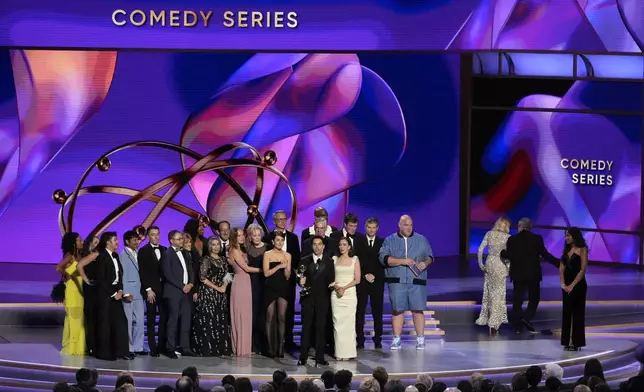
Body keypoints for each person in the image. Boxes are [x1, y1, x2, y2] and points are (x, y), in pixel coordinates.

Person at [379, 215, 434, 350]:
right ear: (399, 225)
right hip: (397, 282)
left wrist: (425, 263)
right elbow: (383, 258)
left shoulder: (421, 239)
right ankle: (397, 339)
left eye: (410, 225)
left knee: (418, 310)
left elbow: (430, 256)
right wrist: (403, 261)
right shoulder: (390, 240)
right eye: (405, 225)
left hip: (417, 281)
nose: (408, 228)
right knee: (398, 310)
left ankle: (421, 339)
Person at [500, 217, 559, 334]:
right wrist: (559, 263)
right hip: (533, 274)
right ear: (530, 227)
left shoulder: (512, 239)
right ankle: (526, 318)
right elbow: (545, 254)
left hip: (518, 275)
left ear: (519, 227)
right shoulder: (537, 239)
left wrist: (501, 252)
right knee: (534, 299)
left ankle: (517, 326)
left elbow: (508, 255)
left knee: (518, 300)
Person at [264, 210, 301, 352]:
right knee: (270, 315)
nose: (283, 221)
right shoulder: (267, 238)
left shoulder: (293, 237)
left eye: (284, 219)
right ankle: (270, 345)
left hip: (287, 282)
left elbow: (296, 259)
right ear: (274, 221)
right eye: (279, 219)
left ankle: (287, 342)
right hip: (271, 283)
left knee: (287, 313)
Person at [297, 235, 335, 367]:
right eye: (315, 244)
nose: (317, 246)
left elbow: (331, 279)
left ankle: (319, 357)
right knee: (306, 328)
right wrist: (300, 281)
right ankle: (303, 357)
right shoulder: (304, 261)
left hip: (322, 299)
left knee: (321, 329)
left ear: (323, 246)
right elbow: (299, 277)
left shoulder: (329, 262)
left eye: (320, 244)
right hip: (307, 299)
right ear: (312, 246)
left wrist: (333, 285)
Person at [93, 232, 131, 361]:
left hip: (116, 293)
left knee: (120, 322)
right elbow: (101, 278)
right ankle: (104, 352)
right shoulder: (101, 256)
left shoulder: (115, 256)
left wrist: (120, 290)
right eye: (115, 240)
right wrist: (114, 293)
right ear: (108, 242)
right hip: (105, 295)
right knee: (105, 325)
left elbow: (120, 275)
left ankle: (121, 351)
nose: (117, 242)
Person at [192, 237, 233, 356]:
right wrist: (218, 288)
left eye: (218, 245)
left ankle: (221, 348)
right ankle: (208, 349)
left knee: (220, 319)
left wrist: (224, 285)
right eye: (213, 245)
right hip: (208, 294)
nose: (216, 247)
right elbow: (202, 278)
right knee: (209, 320)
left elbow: (227, 274)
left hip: (221, 296)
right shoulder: (206, 259)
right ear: (209, 246)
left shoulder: (223, 259)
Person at [162, 230, 196, 358]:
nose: (182, 240)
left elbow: (191, 270)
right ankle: (170, 348)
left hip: (186, 292)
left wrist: (191, 284)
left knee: (186, 320)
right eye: (178, 239)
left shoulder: (185, 253)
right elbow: (167, 274)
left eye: (182, 238)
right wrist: (182, 286)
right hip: (173, 292)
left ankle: (185, 347)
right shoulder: (167, 254)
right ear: (171, 240)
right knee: (173, 320)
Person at [475, 217, 511, 334]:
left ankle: (489, 319)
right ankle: (494, 323)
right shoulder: (508, 238)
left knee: (489, 292)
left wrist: (481, 264)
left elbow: (480, 250)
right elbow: (509, 256)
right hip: (501, 265)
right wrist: (509, 269)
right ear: (506, 226)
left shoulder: (489, 234)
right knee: (499, 293)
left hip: (490, 264)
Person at [228, 227, 261, 356]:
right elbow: (246, 268)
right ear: (234, 237)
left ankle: (246, 347)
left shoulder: (242, 249)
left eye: (242, 235)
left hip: (246, 282)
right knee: (241, 315)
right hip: (240, 282)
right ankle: (241, 348)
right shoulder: (234, 250)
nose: (241, 237)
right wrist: (263, 270)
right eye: (239, 235)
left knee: (246, 315)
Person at [137, 226, 167, 357]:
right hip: (151, 291)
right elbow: (143, 272)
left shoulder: (165, 250)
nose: (156, 237)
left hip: (164, 290)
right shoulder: (143, 251)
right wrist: (148, 289)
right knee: (151, 319)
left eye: (157, 234)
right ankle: (152, 348)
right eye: (153, 234)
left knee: (164, 319)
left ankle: (161, 346)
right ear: (148, 236)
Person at [356, 217, 385, 349]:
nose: (371, 230)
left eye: (374, 228)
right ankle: (360, 339)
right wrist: (365, 275)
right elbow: (357, 261)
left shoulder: (382, 242)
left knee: (377, 311)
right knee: (360, 311)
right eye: (369, 227)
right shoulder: (359, 242)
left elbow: (383, 263)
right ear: (365, 228)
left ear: (377, 228)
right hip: (362, 281)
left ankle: (378, 338)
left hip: (377, 281)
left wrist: (374, 275)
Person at [56, 232, 86, 356]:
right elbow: (58, 268)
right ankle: (72, 346)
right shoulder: (69, 256)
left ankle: (80, 346)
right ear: (74, 243)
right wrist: (67, 275)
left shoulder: (79, 255)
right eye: (79, 240)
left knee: (80, 318)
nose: (82, 242)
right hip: (72, 290)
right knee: (74, 317)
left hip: (81, 289)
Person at [263, 231, 292, 358]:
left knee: (281, 317)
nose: (280, 242)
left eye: (282, 240)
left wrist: (286, 267)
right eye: (278, 240)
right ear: (273, 241)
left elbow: (287, 276)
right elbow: (266, 273)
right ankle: (269, 347)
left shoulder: (288, 255)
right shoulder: (267, 254)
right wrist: (279, 266)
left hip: (283, 287)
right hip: (270, 287)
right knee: (270, 316)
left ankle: (280, 347)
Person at [331, 237, 361, 360]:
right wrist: (337, 287)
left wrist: (345, 287)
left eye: (344, 244)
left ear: (349, 246)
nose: (342, 247)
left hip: (349, 294)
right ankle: (339, 353)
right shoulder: (334, 259)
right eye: (340, 244)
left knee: (349, 324)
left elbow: (357, 279)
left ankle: (348, 353)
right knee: (337, 323)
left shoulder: (355, 260)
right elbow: (330, 278)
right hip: (336, 294)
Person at [560, 227, 588, 351]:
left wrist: (572, 285)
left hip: (578, 286)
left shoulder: (583, 249)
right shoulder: (566, 250)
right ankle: (566, 341)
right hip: (566, 286)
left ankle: (576, 342)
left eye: (568, 236)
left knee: (577, 314)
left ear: (574, 236)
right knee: (566, 313)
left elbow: (582, 270)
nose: (566, 238)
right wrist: (563, 284)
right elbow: (561, 268)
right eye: (565, 236)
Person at [119, 231, 146, 356]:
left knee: (139, 321)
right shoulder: (123, 255)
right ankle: (129, 348)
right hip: (129, 292)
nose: (137, 242)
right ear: (127, 241)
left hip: (139, 292)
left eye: (138, 240)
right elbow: (121, 276)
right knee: (128, 321)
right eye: (134, 240)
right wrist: (124, 293)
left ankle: (138, 347)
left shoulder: (139, 253)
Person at [247, 224, 268, 354]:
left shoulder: (267, 248)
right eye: (254, 235)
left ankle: (263, 345)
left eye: (258, 235)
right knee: (252, 314)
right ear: (250, 236)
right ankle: (252, 345)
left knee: (263, 315)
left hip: (264, 283)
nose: (256, 237)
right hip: (250, 283)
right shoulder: (246, 248)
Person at [77, 235, 99, 356]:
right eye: (95, 243)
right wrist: (86, 279)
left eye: (98, 243)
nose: (97, 245)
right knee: (91, 316)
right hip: (91, 288)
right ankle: (90, 345)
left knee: (95, 317)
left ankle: (94, 344)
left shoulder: (97, 255)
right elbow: (79, 266)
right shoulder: (90, 256)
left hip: (96, 287)